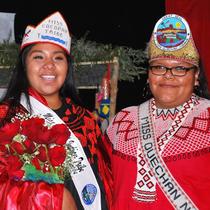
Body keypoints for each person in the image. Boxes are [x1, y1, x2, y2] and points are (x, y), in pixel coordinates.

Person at [0, 11, 110, 210]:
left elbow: (104, 180)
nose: (49, 65)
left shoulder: (86, 120)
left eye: (58, 58)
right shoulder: (5, 117)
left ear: (67, 67)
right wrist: (54, 198)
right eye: (39, 57)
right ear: (25, 65)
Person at [103, 14, 210, 209]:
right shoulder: (121, 121)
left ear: (196, 76)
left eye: (180, 69)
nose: (168, 76)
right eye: (159, 67)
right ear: (149, 75)